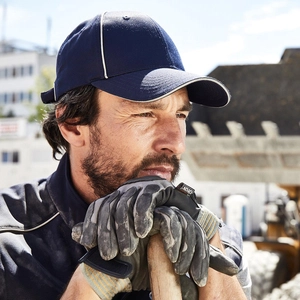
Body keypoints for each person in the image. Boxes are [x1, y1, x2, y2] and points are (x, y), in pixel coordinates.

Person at [0, 11, 251, 300]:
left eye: (180, 114)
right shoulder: (9, 245)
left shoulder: (218, 242)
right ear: (72, 124)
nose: (176, 144)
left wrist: (210, 260)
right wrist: (91, 282)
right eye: (145, 113)